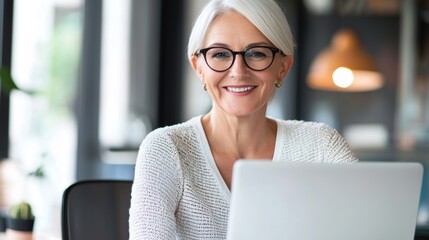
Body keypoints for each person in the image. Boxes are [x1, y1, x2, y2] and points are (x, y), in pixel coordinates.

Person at [129, 0, 358, 239]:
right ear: (199, 68)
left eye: (257, 53)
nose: (238, 71)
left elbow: (370, 225)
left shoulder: (321, 147)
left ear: (283, 67)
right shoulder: (166, 149)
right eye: (219, 54)